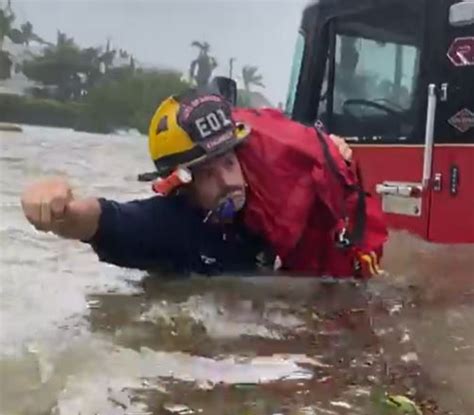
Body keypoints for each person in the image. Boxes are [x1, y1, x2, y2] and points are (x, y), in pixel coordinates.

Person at [21, 91, 387, 278]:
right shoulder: (171, 227)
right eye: (208, 172)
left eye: (229, 161)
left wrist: (332, 161)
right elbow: (106, 219)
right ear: (182, 182)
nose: (228, 181)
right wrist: (60, 210)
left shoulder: (273, 197)